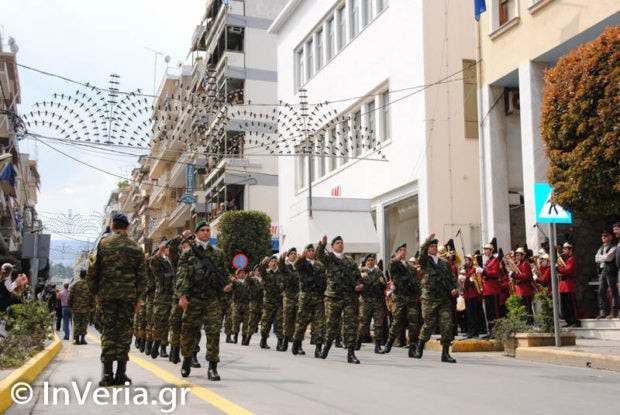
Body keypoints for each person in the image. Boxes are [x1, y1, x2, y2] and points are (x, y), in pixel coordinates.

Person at [87, 213, 144, 387]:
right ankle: (121, 374)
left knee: (109, 333)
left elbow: (92, 272)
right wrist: (138, 299)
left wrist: (95, 293)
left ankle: (106, 374)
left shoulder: (103, 245)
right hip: (128, 297)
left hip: (107, 296)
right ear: (127, 227)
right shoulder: (136, 248)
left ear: (112, 226)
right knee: (124, 333)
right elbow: (141, 277)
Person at [177, 221, 229, 381]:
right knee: (189, 332)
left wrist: (226, 285)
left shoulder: (218, 254)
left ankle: (212, 367)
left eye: (208, 230)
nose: (206, 233)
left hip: (212, 299)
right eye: (203, 230)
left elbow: (224, 273)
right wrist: (182, 296)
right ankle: (186, 359)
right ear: (197, 233)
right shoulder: (188, 254)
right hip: (194, 299)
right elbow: (181, 276)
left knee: (213, 333)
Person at [317, 235, 363, 364]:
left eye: (342, 242)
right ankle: (326, 347)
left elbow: (357, 276)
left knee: (351, 325)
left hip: (349, 296)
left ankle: (351, 353)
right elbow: (319, 255)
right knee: (332, 324)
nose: (340, 244)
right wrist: (322, 244)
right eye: (337, 243)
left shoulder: (350, 261)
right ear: (332, 246)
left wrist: (359, 285)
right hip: (334, 296)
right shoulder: (329, 259)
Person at [415, 233, 459, 363]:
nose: (434, 248)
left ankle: (445, 353)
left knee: (446, 325)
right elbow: (421, 253)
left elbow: (452, 278)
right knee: (429, 324)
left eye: (435, 246)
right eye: (431, 246)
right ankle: (420, 346)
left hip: (443, 298)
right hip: (429, 298)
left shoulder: (444, 263)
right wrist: (426, 241)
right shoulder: (425, 262)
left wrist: (455, 288)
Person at [385, 244, 421, 357]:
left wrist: (420, 293)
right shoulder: (394, 264)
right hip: (399, 297)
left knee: (414, 323)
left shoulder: (411, 267)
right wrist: (396, 258)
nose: (403, 252)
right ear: (396, 252)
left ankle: (413, 347)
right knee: (397, 321)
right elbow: (390, 266)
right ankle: (389, 343)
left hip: (410, 298)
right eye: (400, 250)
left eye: (404, 250)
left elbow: (416, 282)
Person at [292, 243, 326, 357]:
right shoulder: (302, 263)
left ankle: (318, 348)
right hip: (306, 297)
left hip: (318, 297)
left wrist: (325, 294)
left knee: (319, 324)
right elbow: (296, 265)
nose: (311, 252)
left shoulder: (320, 265)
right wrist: (301, 256)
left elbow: (324, 280)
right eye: (309, 250)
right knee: (302, 322)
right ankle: (297, 342)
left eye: (312, 250)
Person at [357, 253, 387, 354]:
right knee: (364, 323)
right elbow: (355, 283)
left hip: (377, 301)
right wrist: (361, 278)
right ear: (365, 262)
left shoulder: (378, 272)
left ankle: (378, 346)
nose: (370, 262)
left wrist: (383, 283)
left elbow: (385, 286)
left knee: (378, 324)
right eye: (369, 260)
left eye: (372, 260)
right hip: (365, 301)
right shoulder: (361, 271)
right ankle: (358, 341)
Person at [150, 240, 174, 359]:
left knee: (173, 323)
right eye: (167, 248)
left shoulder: (176, 260)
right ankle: (158, 343)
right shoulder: (160, 261)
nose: (169, 249)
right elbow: (152, 262)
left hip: (174, 296)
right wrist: (160, 250)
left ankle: (171, 349)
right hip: (162, 297)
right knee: (161, 322)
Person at [258, 254, 285, 350]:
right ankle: (263, 340)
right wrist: (263, 263)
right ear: (269, 264)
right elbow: (260, 270)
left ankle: (280, 343)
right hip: (268, 302)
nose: (273, 263)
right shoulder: (266, 273)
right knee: (266, 322)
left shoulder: (281, 274)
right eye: (272, 261)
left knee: (280, 322)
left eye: (275, 261)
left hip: (279, 302)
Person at [479, 239, 501, 339]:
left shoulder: (495, 260)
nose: (485, 251)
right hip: (487, 290)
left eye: (486, 249)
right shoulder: (488, 261)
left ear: (491, 250)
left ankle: (496, 332)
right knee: (488, 312)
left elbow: (495, 273)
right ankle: (491, 331)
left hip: (493, 289)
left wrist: (484, 271)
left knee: (494, 312)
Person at [595, 230, 618, 318]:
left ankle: (614, 311)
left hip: (610, 271)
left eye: (605, 236)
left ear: (611, 237)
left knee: (613, 291)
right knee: (601, 291)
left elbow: (608, 258)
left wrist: (602, 258)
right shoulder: (601, 248)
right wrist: (603, 258)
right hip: (602, 271)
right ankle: (603, 311)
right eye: (602, 236)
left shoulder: (614, 247)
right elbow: (596, 258)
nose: (603, 237)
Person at [281, 247, 300, 352]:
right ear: (288, 256)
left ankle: (298, 344)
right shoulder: (285, 266)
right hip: (288, 296)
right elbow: (281, 267)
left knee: (299, 320)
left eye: (295, 253)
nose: (294, 255)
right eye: (291, 253)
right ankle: (285, 340)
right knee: (288, 320)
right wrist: (281, 259)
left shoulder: (299, 266)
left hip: (298, 296)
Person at [558, 242, 580, 326]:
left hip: (569, 284)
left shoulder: (572, 259)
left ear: (570, 250)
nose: (563, 250)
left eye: (565, 249)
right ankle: (569, 321)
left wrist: (558, 268)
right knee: (565, 305)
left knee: (571, 304)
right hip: (563, 284)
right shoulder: (566, 259)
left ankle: (575, 321)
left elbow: (568, 270)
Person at [68, 269, 93, 345]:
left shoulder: (75, 284)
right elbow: (92, 296)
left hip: (76, 308)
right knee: (84, 323)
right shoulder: (89, 285)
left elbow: (70, 296)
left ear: (80, 275)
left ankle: (77, 339)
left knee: (77, 323)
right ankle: (82, 339)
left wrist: (70, 305)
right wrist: (92, 306)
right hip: (86, 308)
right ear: (86, 275)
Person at [230, 267, 251, 345]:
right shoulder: (234, 282)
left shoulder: (247, 282)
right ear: (237, 275)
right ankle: (235, 336)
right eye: (240, 273)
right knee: (236, 321)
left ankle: (244, 338)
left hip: (246, 304)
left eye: (243, 273)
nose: (242, 274)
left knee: (246, 322)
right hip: (237, 304)